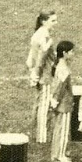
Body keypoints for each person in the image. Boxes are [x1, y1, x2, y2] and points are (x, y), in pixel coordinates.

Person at [25, 10, 58, 143]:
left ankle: (35, 132)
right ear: (44, 22)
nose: (55, 23)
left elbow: (31, 58)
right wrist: (37, 74)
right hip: (45, 74)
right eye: (53, 21)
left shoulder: (38, 33)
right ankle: (42, 137)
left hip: (39, 72)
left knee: (39, 103)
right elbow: (41, 57)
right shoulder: (44, 36)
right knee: (44, 105)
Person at [47, 39, 76, 162]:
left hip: (61, 103)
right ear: (64, 53)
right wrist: (55, 100)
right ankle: (60, 155)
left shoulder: (60, 65)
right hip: (63, 104)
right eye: (71, 51)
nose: (73, 54)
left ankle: (56, 154)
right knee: (63, 130)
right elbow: (60, 86)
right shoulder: (63, 68)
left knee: (59, 129)